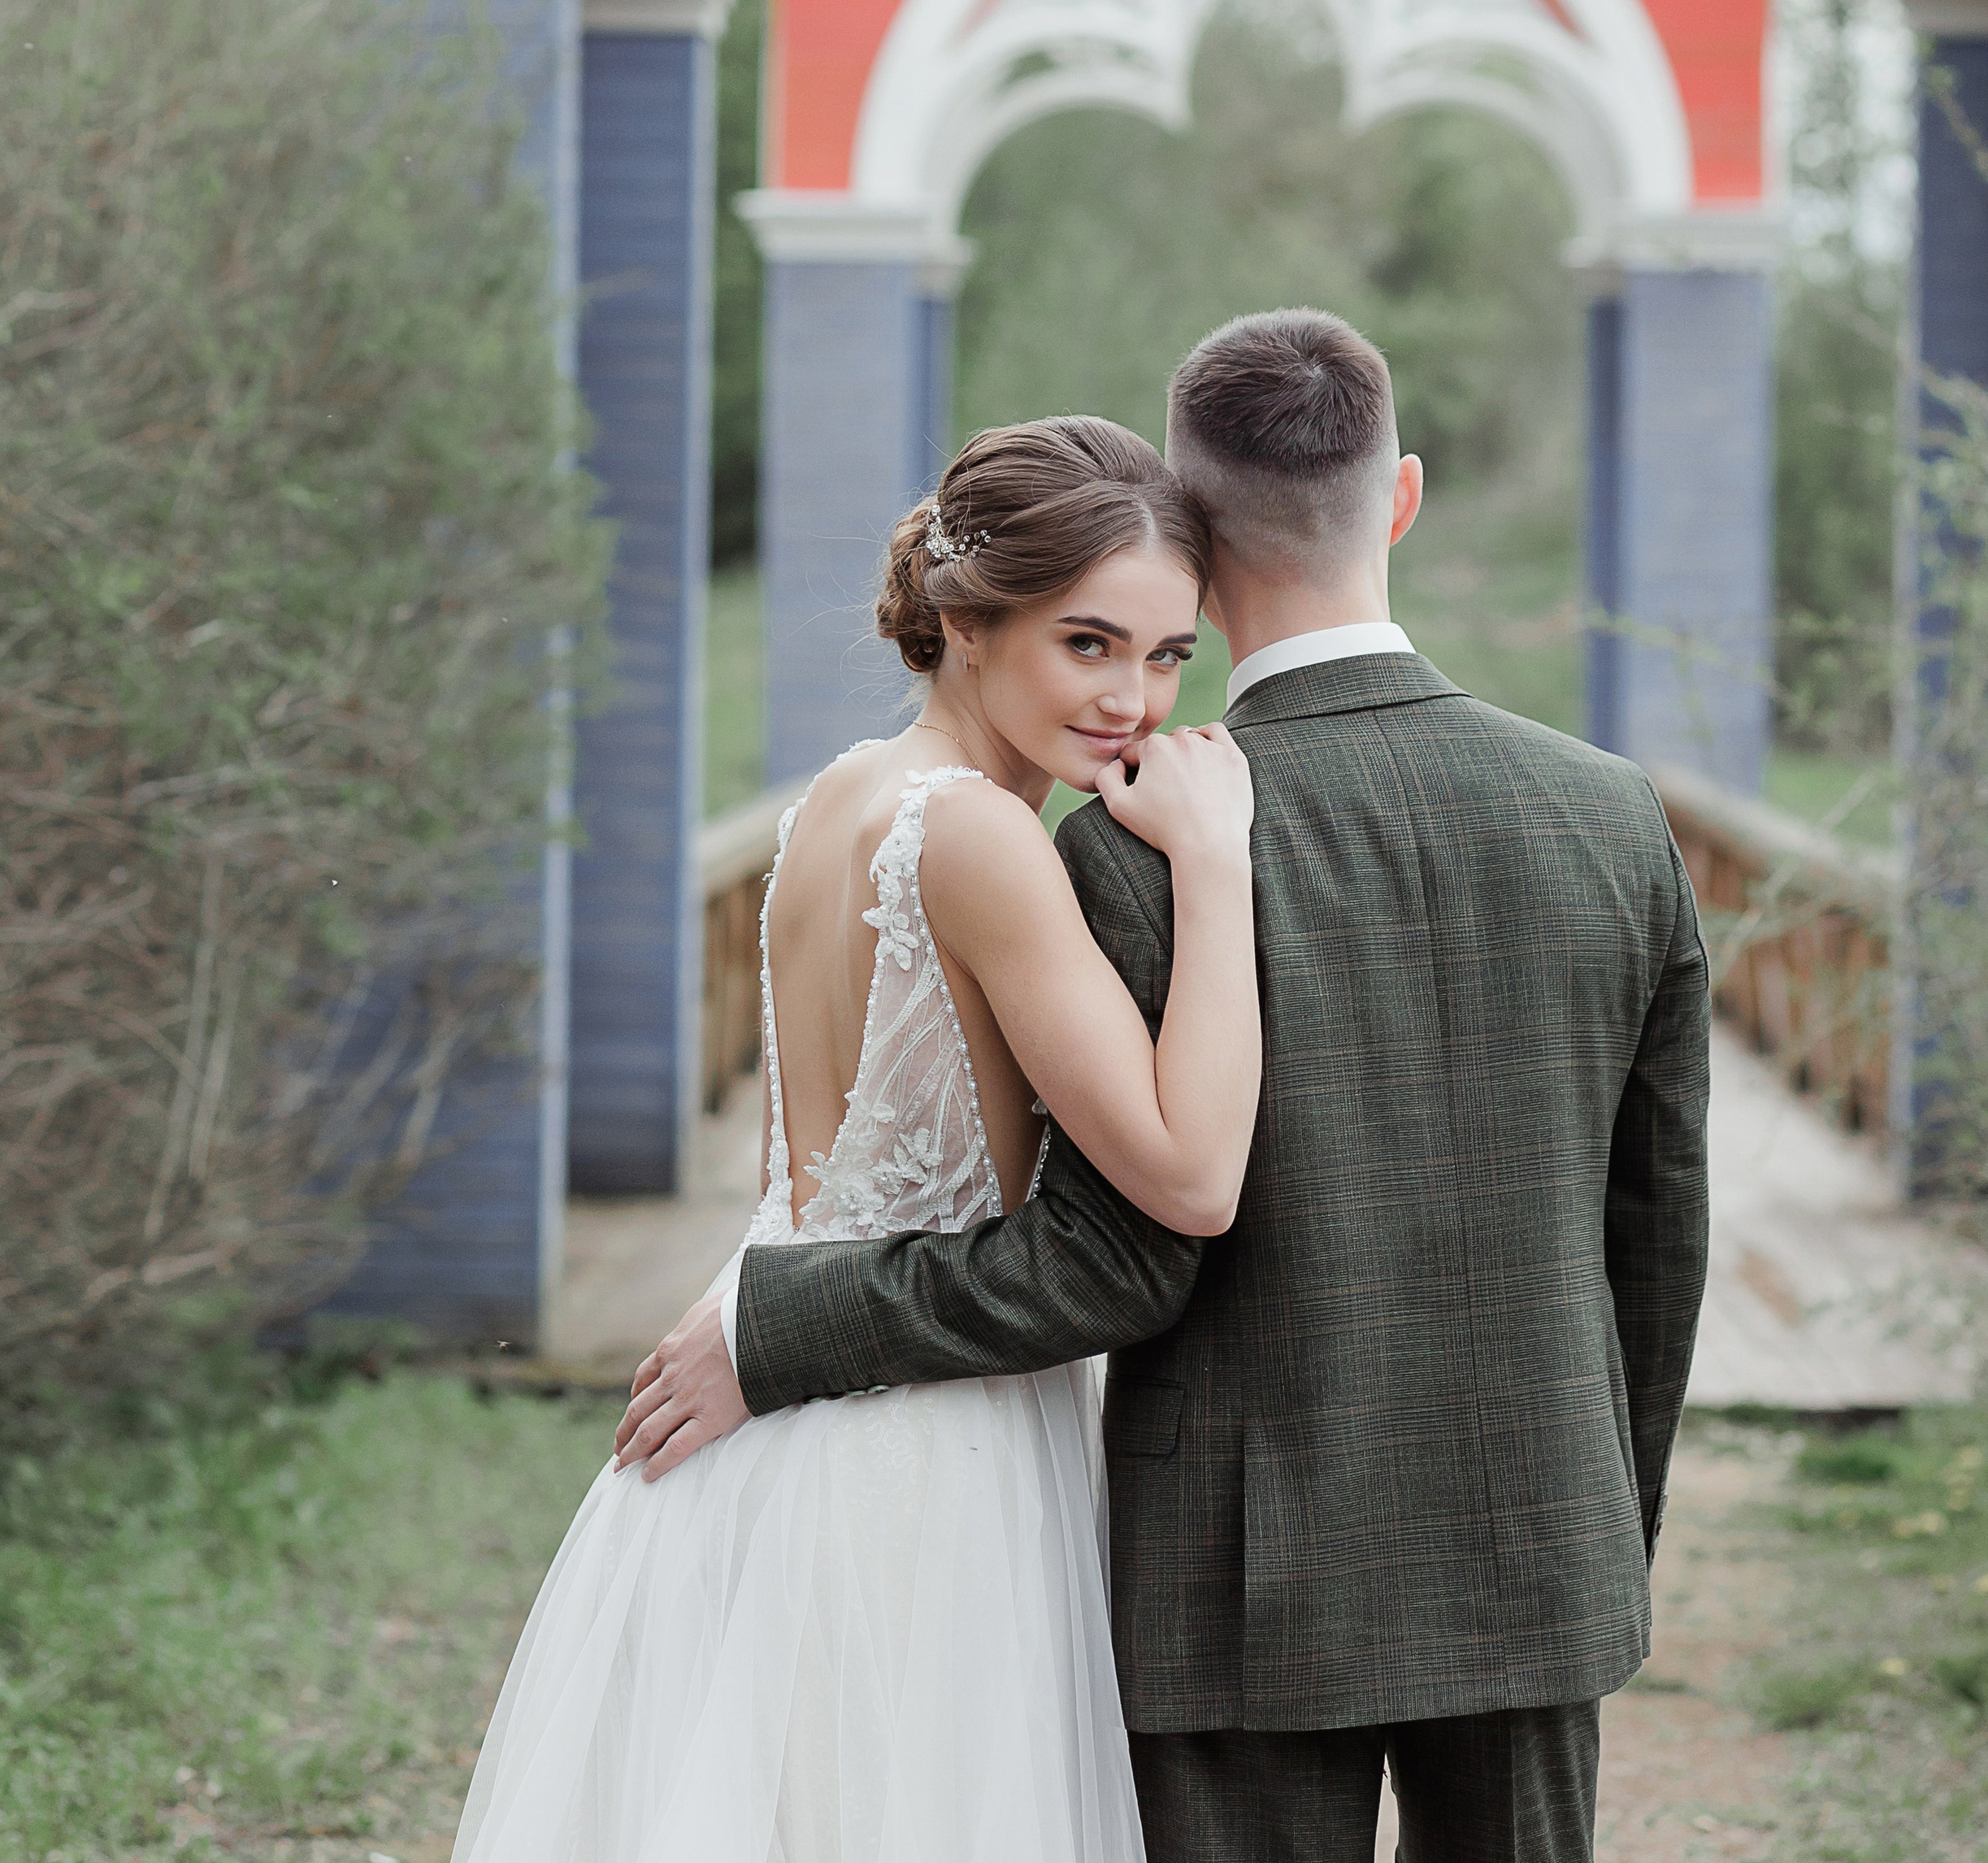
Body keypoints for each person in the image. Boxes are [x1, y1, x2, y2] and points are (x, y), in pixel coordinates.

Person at [623, 308, 1712, 1863]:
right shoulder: (1613, 819)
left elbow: (1120, 1254)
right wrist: (1605, 1531)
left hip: (1231, 1579)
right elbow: (1656, 1235)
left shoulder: (1128, 844)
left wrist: (781, 1318)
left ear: (1192, 532)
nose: (1133, 690)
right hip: (1537, 1545)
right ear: (1399, 499)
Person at [453, 413, 1257, 1863]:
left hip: (764, 1391)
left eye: (1167, 656)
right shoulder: (982, 837)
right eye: (1089, 644)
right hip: (919, 1431)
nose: (1135, 700)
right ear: (964, 617)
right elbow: (1191, 1178)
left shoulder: (842, 794)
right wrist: (1217, 865)